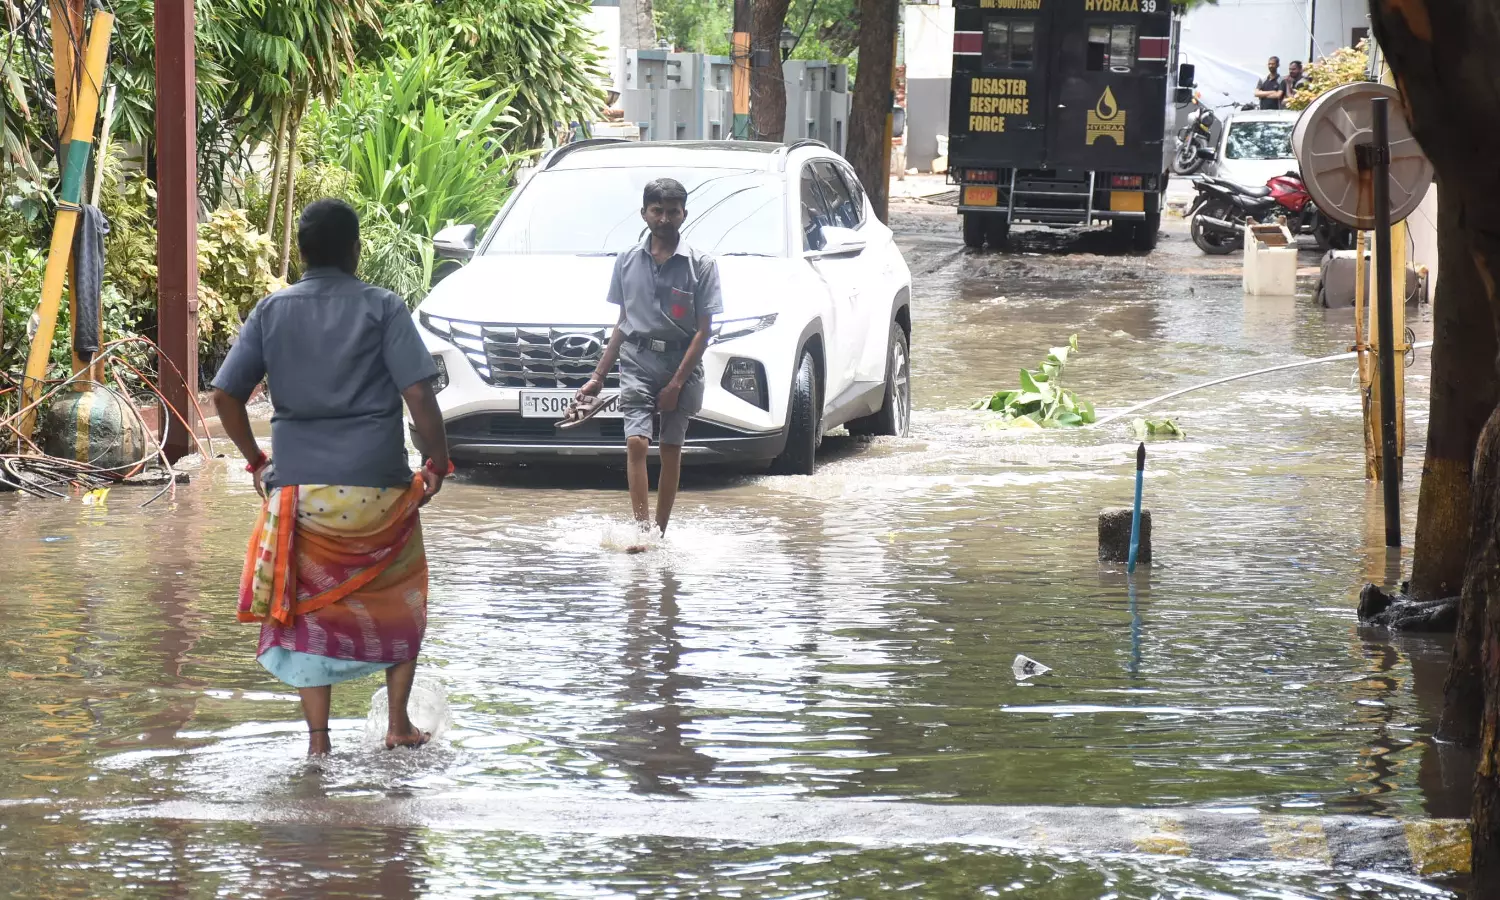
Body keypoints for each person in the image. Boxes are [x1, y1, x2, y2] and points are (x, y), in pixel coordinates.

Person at [211, 198, 452, 756]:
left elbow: (224, 395)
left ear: (301, 252)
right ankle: (397, 725)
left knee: (308, 610)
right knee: (404, 596)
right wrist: (437, 463)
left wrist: (257, 462)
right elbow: (419, 394)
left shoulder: (272, 311)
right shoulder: (384, 307)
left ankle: (318, 742)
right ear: (355, 250)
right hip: (382, 490)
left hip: (301, 492)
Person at [574, 178, 722, 552]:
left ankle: (660, 530)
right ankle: (643, 534)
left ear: (684, 215)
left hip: (681, 365)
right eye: (657, 210)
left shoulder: (701, 265)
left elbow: (703, 332)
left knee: (671, 448)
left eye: (673, 211)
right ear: (644, 214)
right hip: (637, 362)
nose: (665, 218)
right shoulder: (626, 261)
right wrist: (597, 377)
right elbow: (624, 322)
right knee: (637, 443)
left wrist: (675, 385)